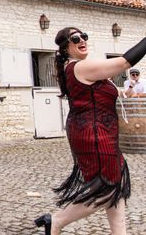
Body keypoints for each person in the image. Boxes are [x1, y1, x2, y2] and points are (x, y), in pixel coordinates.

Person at [35, 27, 146, 234]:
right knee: (107, 186)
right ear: (66, 48)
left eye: (84, 36)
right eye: (75, 38)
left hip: (102, 131)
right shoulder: (79, 67)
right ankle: (56, 221)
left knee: (116, 183)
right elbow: (124, 62)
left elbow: (119, 94)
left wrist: (128, 90)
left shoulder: (85, 68)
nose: (82, 40)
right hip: (92, 134)